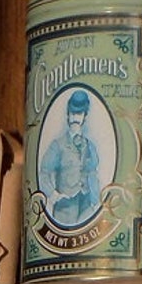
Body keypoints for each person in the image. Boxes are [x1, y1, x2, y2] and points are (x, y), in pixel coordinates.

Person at [41, 88, 102, 227]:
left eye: (79, 114)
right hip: (65, 208)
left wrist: (96, 200)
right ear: (67, 115)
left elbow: (93, 173)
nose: (75, 118)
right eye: (72, 114)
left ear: (85, 116)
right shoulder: (58, 145)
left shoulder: (90, 146)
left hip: (86, 206)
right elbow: (44, 171)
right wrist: (53, 194)